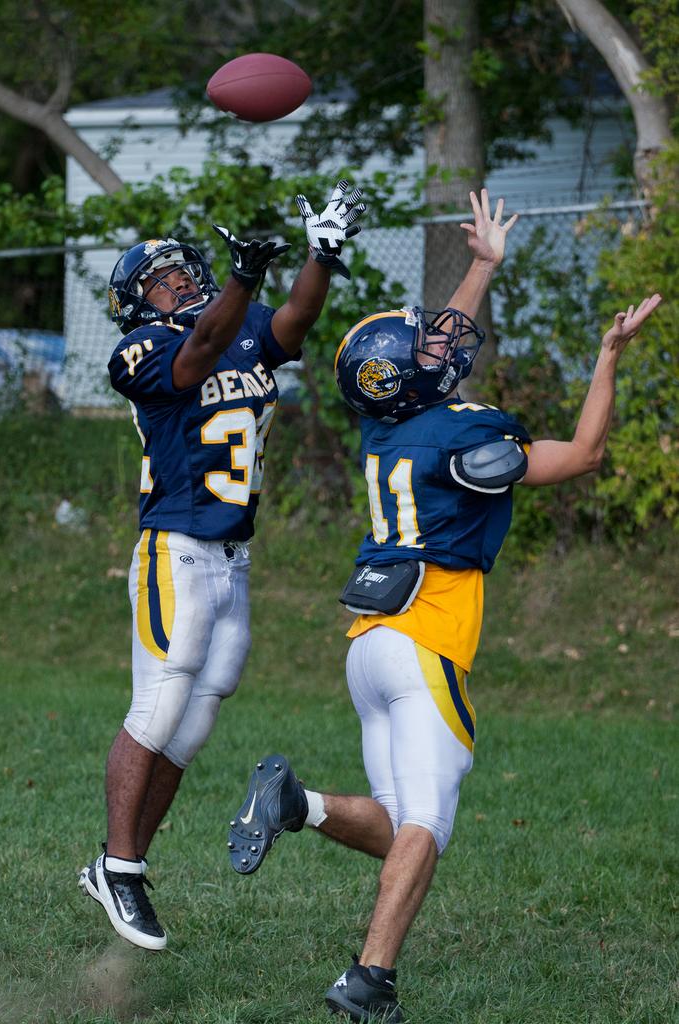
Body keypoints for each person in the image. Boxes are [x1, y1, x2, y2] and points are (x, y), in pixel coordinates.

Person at [227, 189, 662, 1022]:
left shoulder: (387, 427)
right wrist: (607, 354)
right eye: (427, 345)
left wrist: (482, 267)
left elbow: (416, 367)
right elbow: (582, 455)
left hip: (368, 644)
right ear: (413, 379)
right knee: (428, 821)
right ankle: (370, 979)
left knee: (400, 830)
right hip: (427, 634)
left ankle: (298, 804)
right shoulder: (461, 430)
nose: (444, 340)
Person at [78, 180, 367, 951]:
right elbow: (195, 355)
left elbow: (297, 319)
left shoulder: (242, 329)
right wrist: (241, 279)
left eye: (183, 268)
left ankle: (120, 864)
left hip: (234, 556)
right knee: (161, 700)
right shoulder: (142, 348)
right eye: (159, 278)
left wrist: (321, 254)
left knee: (199, 715)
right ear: (137, 304)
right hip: (175, 544)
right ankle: (121, 866)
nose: (177, 279)